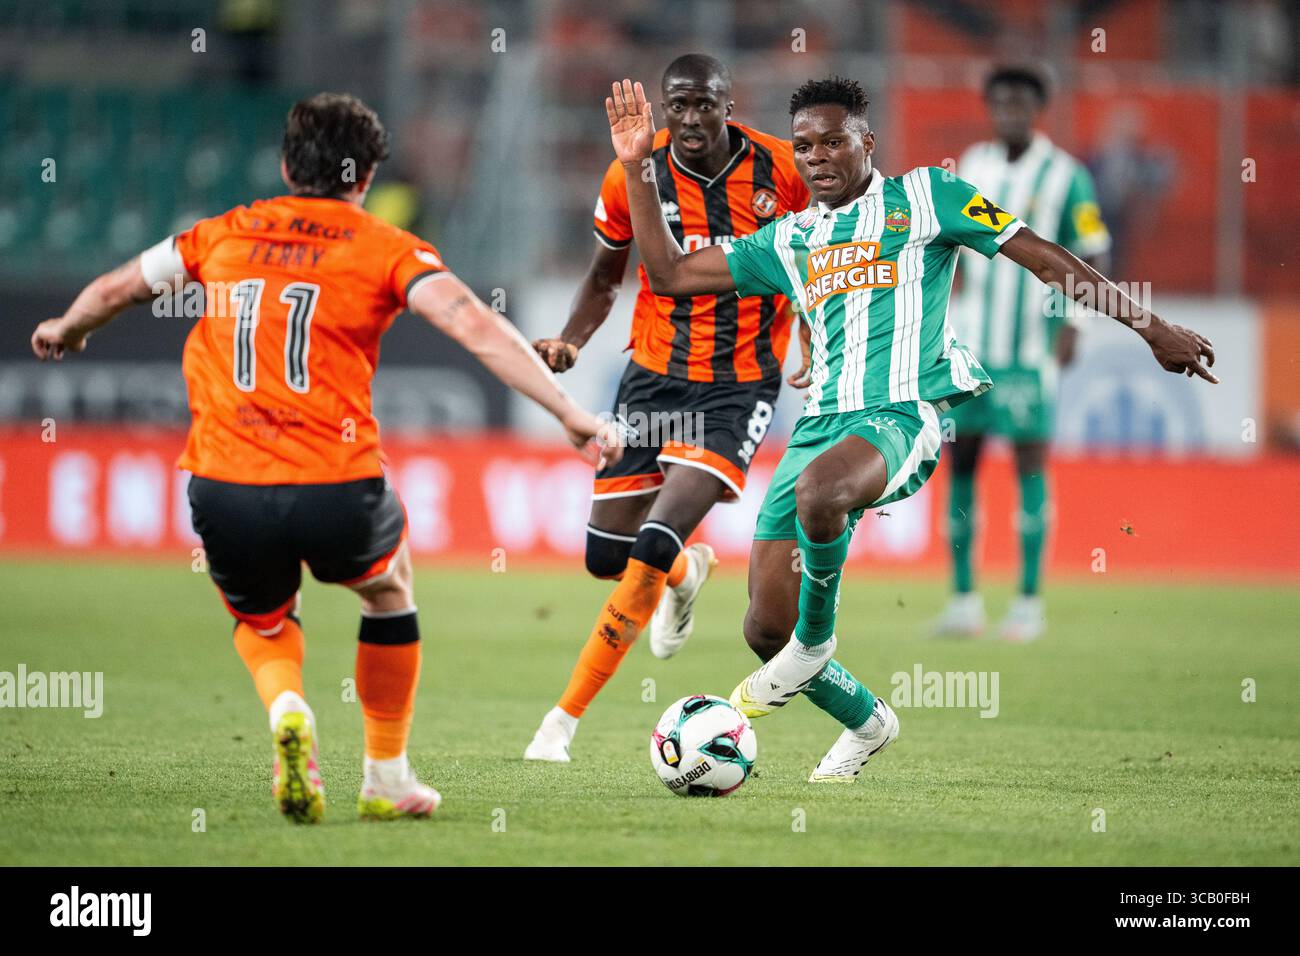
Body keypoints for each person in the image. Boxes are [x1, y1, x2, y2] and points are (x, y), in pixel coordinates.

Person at [603, 75, 1216, 782]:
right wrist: (634, 167)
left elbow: (1046, 257)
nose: (817, 157)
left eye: (834, 141)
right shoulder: (791, 237)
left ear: (869, 141)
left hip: (903, 413)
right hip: (819, 427)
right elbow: (670, 274)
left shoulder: (928, 198)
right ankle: (868, 722)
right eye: (803, 147)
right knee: (762, 627)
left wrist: (1152, 327)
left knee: (820, 498)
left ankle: (815, 643)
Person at [30, 92, 619, 822]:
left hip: (224, 479)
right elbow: (473, 326)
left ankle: (286, 706)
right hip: (333, 482)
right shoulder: (385, 247)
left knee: (266, 620)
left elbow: (121, 287)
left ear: (285, 165)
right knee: (388, 587)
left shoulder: (222, 233)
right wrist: (565, 412)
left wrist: (69, 326)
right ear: (365, 176)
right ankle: (386, 776)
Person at [524, 54, 811, 763]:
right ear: (663, 106)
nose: (688, 119)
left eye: (702, 105)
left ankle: (560, 722)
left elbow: (823, 257)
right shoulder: (634, 168)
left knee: (653, 539)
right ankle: (686, 575)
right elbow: (602, 277)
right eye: (676, 105)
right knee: (605, 557)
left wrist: (812, 337)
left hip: (738, 385)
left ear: (728, 104)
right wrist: (570, 340)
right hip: (653, 379)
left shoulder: (782, 172)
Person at [933, 64, 1114, 642]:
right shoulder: (973, 164)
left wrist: (1074, 320)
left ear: (1038, 109)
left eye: (1021, 102)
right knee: (960, 466)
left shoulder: (1067, 176)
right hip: (968, 348)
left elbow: (1094, 252)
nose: (1010, 111)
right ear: (989, 107)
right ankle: (963, 600)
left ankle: (1029, 601)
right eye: (1001, 101)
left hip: (1029, 349)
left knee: (1029, 464)